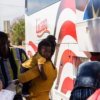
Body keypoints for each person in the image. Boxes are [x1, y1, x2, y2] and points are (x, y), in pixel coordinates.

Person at [0, 31, 28, 100]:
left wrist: (24, 84)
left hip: (17, 95)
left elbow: (29, 69)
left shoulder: (20, 52)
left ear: (3, 43)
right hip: (4, 96)